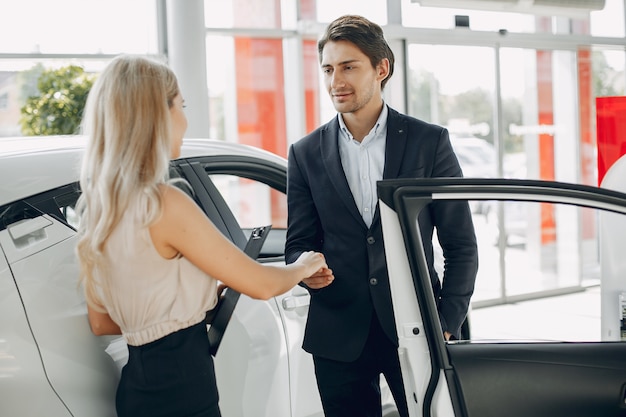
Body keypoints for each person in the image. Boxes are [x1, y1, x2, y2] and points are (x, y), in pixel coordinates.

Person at [75, 54, 329, 417]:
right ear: (156, 115)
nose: (185, 118)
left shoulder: (97, 212)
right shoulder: (163, 203)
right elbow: (261, 284)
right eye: (181, 105)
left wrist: (187, 302)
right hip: (183, 387)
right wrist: (303, 266)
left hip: (136, 391)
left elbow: (102, 322)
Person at [285, 15, 479, 417]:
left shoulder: (429, 142)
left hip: (416, 328)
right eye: (328, 69)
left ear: (382, 68)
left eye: (348, 66)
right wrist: (306, 270)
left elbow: (461, 245)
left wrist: (444, 323)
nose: (335, 80)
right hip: (338, 332)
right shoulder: (304, 153)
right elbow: (298, 245)